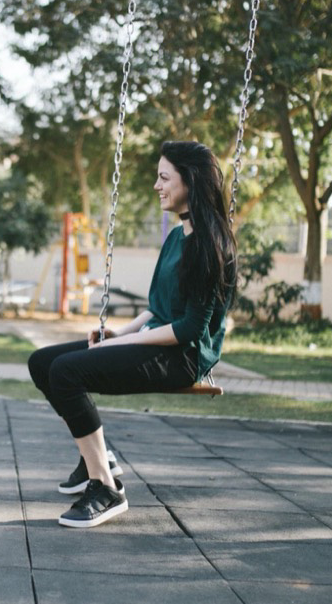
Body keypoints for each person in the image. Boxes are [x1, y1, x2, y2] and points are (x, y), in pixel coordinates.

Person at [27, 141, 237, 528]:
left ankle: (105, 487)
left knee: (67, 372)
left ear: (189, 181)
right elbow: (157, 308)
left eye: (164, 177)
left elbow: (190, 328)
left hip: (184, 356)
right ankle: (98, 456)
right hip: (158, 339)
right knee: (43, 363)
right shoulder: (177, 237)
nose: (157, 185)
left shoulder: (209, 244)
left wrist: (125, 342)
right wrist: (118, 331)